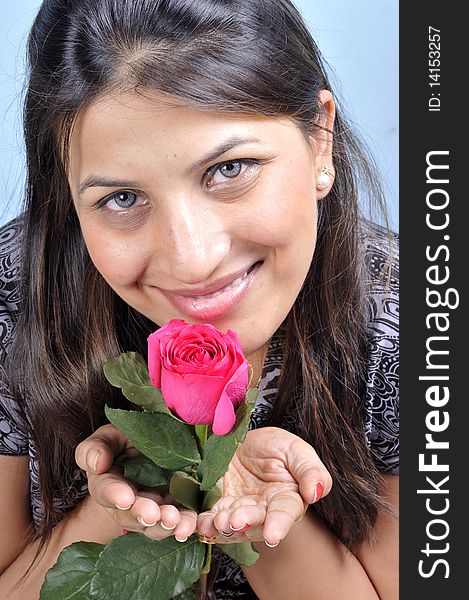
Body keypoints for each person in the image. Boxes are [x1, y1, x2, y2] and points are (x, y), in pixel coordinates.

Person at [0, 0, 399, 598]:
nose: (192, 260)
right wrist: (133, 494)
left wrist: (252, 516)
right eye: (122, 200)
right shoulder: (14, 298)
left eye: (231, 168)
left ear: (319, 140)